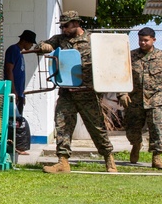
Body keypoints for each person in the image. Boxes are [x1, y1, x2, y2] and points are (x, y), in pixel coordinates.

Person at [28, 10, 116, 173]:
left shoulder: (92, 39)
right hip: (67, 92)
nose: (63, 29)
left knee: (97, 127)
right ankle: (63, 162)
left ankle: (109, 159)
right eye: (61, 26)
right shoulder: (60, 39)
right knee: (62, 124)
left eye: (66, 25)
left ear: (76, 23)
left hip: (88, 92)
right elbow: (40, 45)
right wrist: (44, 46)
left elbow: (107, 61)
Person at [119, 27, 162, 169]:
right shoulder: (131, 56)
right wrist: (122, 93)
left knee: (157, 128)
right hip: (134, 100)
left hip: (155, 100)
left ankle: (157, 157)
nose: (142, 43)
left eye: (146, 40)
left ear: (154, 40)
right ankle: (136, 144)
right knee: (132, 129)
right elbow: (122, 76)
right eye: (140, 40)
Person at [4, 30, 36, 115]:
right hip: (13, 92)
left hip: (19, 93)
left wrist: (22, 94)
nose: (32, 45)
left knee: (18, 118)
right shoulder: (13, 50)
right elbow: (9, 70)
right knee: (13, 119)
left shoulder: (20, 52)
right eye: (31, 43)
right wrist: (13, 89)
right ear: (25, 41)